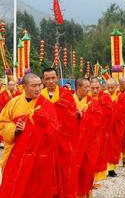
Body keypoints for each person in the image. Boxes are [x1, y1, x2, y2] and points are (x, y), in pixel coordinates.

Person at [0, 73, 59, 198]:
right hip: (16, 154)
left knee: (35, 188)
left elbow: (54, 130)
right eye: (33, 86)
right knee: (13, 185)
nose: (38, 88)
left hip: (38, 155)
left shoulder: (46, 105)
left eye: (39, 85)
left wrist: (40, 125)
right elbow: (3, 122)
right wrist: (14, 130)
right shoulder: (13, 103)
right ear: (24, 87)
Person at [41, 68, 79, 198]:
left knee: (64, 171)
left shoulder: (66, 95)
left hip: (63, 141)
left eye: (53, 78)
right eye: (47, 79)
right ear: (43, 80)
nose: (51, 81)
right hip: (44, 142)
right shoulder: (39, 96)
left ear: (57, 78)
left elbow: (73, 118)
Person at [74, 78, 103, 198]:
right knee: (74, 170)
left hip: (88, 143)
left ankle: (87, 191)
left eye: (89, 87)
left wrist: (84, 117)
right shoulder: (69, 100)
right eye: (86, 87)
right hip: (74, 143)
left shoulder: (93, 102)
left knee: (87, 169)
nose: (89, 90)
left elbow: (99, 119)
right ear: (78, 88)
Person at [106, 79, 125, 177]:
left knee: (114, 147)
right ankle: (104, 169)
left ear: (116, 87)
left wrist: (113, 110)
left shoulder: (122, 97)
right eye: (108, 87)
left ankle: (111, 169)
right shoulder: (104, 95)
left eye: (112, 87)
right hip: (105, 126)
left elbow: (124, 110)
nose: (110, 89)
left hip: (116, 127)